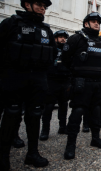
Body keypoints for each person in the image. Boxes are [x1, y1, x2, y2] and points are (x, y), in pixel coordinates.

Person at [0, 0, 55, 169]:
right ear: (26, 4)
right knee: (11, 115)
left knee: (34, 116)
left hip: (38, 80)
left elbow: (52, 56)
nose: (42, 8)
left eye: (45, 6)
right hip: (15, 77)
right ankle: (3, 157)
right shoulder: (11, 23)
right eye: (39, 4)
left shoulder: (46, 30)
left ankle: (32, 153)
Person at [62, 12, 101, 160]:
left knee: (96, 111)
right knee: (77, 112)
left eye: (98, 22)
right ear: (86, 23)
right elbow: (65, 60)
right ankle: (70, 145)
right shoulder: (76, 38)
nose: (97, 24)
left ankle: (95, 138)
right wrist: (73, 78)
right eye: (93, 21)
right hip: (82, 82)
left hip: (99, 83)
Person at [39, 30, 71, 141]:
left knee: (64, 106)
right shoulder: (50, 49)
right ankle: (45, 130)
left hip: (64, 81)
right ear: (55, 38)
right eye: (61, 37)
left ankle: (63, 127)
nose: (63, 39)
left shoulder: (67, 51)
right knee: (48, 107)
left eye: (64, 37)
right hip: (51, 81)